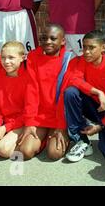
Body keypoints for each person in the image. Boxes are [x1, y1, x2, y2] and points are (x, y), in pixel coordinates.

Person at [64, 30, 105, 162]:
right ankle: (82, 140)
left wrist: (101, 125)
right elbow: (73, 80)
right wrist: (97, 92)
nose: (86, 52)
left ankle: (97, 127)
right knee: (71, 93)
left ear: (103, 47)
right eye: (84, 47)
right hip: (92, 106)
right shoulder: (82, 61)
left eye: (91, 48)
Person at [16, 24, 71, 161]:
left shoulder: (69, 60)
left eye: (53, 38)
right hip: (39, 116)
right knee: (25, 152)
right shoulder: (33, 57)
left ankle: (58, 137)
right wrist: (29, 122)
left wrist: (61, 127)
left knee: (54, 154)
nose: (48, 42)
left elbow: (65, 97)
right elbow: (31, 91)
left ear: (63, 41)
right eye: (44, 38)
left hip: (59, 117)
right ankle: (43, 139)